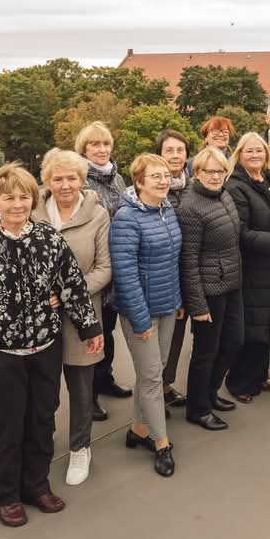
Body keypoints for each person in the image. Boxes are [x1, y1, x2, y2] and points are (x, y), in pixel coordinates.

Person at [0, 164, 102, 527]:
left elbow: (72, 286)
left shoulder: (49, 240)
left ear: (32, 200)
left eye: (23, 197)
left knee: (40, 420)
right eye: (8, 198)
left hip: (43, 348)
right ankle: (6, 494)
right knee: (4, 426)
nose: (17, 204)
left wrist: (89, 327)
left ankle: (36, 485)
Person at [30, 149, 111, 486]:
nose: (65, 185)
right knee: (43, 389)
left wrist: (66, 294)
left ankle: (80, 447)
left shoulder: (97, 213)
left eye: (72, 178)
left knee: (81, 388)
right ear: (47, 181)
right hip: (40, 318)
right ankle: (40, 446)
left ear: (83, 179)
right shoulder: (33, 213)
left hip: (82, 316)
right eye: (58, 178)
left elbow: (104, 268)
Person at [110, 154, 184, 476]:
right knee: (153, 377)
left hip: (168, 305)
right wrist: (140, 321)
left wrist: (178, 300)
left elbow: (172, 262)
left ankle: (138, 430)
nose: (163, 180)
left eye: (166, 175)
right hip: (141, 313)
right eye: (155, 176)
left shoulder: (167, 211)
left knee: (152, 370)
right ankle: (161, 443)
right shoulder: (127, 218)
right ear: (138, 182)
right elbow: (125, 275)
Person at [179, 146, 244, 431]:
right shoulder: (190, 206)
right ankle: (198, 407)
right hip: (208, 289)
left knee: (233, 342)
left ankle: (211, 391)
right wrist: (198, 305)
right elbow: (188, 260)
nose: (216, 176)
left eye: (221, 171)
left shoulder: (224, 194)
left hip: (232, 282)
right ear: (198, 172)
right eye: (210, 171)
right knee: (206, 350)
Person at [77, 121, 133, 419]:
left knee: (108, 330)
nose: (101, 150)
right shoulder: (80, 180)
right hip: (92, 267)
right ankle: (89, 396)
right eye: (94, 145)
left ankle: (105, 378)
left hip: (116, 266)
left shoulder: (118, 179)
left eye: (105, 144)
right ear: (83, 149)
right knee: (91, 333)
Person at [225, 133, 270, 403]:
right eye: (248, 151)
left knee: (263, 325)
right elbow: (241, 233)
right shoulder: (236, 187)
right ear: (239, 154)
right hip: (252, 266)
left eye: (259, 151)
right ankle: (239, 382)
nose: (254, 155)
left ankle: (260, 375)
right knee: (250, 327)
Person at [154, 128, 193, 407]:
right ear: (159, 155)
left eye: (180, 150)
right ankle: (153, 392)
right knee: (158, 342)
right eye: (169, 150)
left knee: (178, 337)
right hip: (163, 276)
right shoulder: (154, 190)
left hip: (191, 272)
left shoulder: (194, 185)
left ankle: (166, 387)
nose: (176, 155)